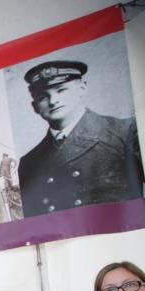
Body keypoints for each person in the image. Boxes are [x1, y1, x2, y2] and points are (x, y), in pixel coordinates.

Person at [17, 60, 144, 217]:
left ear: (82, 88)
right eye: (43, 97)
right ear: (35, 106)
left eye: (61, 90)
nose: (53, 101)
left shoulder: (126, 132)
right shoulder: (29, 163)